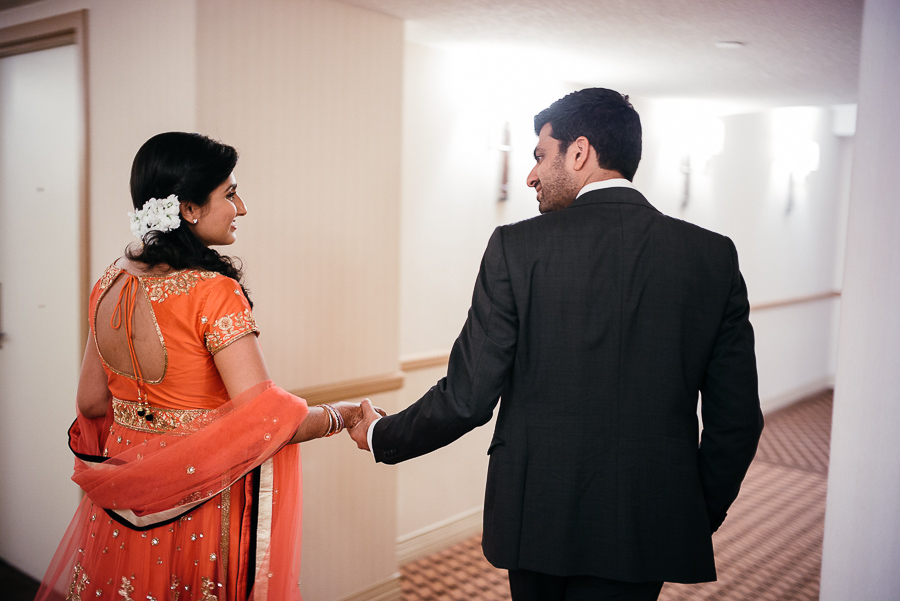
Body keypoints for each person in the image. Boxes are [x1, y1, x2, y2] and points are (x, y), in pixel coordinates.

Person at [349, 88, 764, 600]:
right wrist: (694, 512)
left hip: (536, 515)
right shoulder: (711, 257)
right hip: (648, 519)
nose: (531, 176)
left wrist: (381, 435)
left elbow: (468, 395)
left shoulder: (516, 248)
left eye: (540, 156)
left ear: (580, 152)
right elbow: (737, 420)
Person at [36, 132, 373, 601]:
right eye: (230, 194)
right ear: (189, 209)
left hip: (121, 502)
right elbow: (266, 417)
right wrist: (347, 414)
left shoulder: (109, 283)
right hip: (198, 501)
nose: (242, 207)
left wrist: (148, 441)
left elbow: (91, 401)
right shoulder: (213, 292)